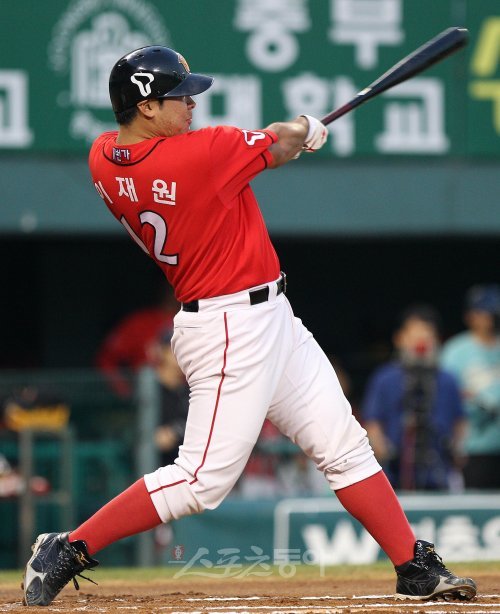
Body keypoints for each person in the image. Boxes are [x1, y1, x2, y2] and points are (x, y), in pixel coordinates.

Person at [22, 46, 476, 606]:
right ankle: (68, 546)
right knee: (200, 479)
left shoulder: (102, 156)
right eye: (179, 96)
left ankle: (413, 566)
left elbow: (267, 145)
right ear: (146, 107)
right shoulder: (198, 155)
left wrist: (295, 133)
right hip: (229, 326)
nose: (192, 104)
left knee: (344, 445)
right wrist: (307, 127)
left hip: (268, 316)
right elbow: (282, 142)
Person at [362, 305, 466, 491]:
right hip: (396, 472)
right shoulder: (385, 378)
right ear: (400, 339)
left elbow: (460, 421)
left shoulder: (447, 379)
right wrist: (384, 453)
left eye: (427, 336)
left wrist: (456, 451)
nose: (421, 342)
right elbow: (373, 422)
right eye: (414, 336)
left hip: (439, 470)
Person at [440, 284, 500, 489]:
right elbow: (447, 395)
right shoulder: (456, 351)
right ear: (470, 316)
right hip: (473, 446)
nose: (488, 318)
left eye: (492, 312)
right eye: (482, 312)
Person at [96, 290, 178, 397]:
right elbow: (107, 359)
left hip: (187, 395)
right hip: (147, 395)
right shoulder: (141, 322)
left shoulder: (195, 324)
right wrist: (124, 391)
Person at [151, 328, 189, 467]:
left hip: (184, 469)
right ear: (162, 351)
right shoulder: (147, 391)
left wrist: (175, 432)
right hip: (151, 469)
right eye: (177, 348)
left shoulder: (190, 391)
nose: (183, 354)